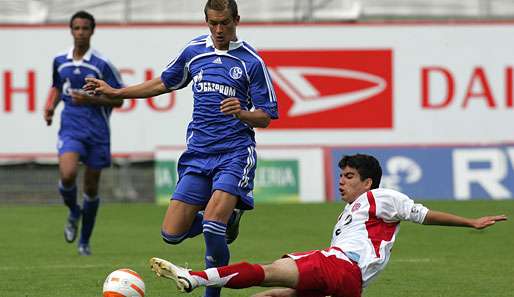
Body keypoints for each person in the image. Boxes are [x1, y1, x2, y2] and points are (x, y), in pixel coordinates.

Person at [83, 0, 278, 296]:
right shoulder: (194, 52)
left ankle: (211, 287)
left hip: (234, 153)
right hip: (198, 154)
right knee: (171, 234)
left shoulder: (251, 62)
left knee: (213, 226)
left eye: (224, 22)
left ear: (236, 19)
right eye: (213, 23)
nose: (219, 29)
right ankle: (229, 220)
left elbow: (266, 115)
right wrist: (116, 91)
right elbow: (163, 83)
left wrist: (242, 113)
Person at [148, 153, 507, 297]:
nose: (342, 182)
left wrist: (471, 222)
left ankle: (195, 277)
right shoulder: (351, 213)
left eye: (349, 177)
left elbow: (424, 214)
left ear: (368, 182)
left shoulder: (380, 198)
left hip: (338, 267)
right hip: (348, 281)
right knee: (271, 295)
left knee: (267, 271)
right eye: (341, 176)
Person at [44, 11, 124, 256]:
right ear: (71, 30)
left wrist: (90, 98)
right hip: (71, 128)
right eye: (76, 28)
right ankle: (73, 212)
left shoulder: (102, 64)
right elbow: (57, 87)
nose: (80, 32)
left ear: (92, 31)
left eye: (85, 28)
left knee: (90, 188)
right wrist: (50, 107)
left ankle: (84, 242)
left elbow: (118, 99)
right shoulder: (60, 60)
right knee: (67, 175)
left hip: (97, 132)